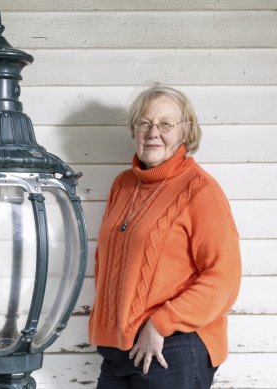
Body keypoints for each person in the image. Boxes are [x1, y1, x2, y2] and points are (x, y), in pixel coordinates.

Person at [88, 85, 242, 388]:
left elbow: (223, 279)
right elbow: (106, 261)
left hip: (172, 348)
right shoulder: (123, 185)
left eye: (165, 124)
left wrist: (160, 324)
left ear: (186, 131)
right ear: (134, 130)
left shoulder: (201, 190)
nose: (152, 132)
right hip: (119, 350)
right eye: (144, 123)